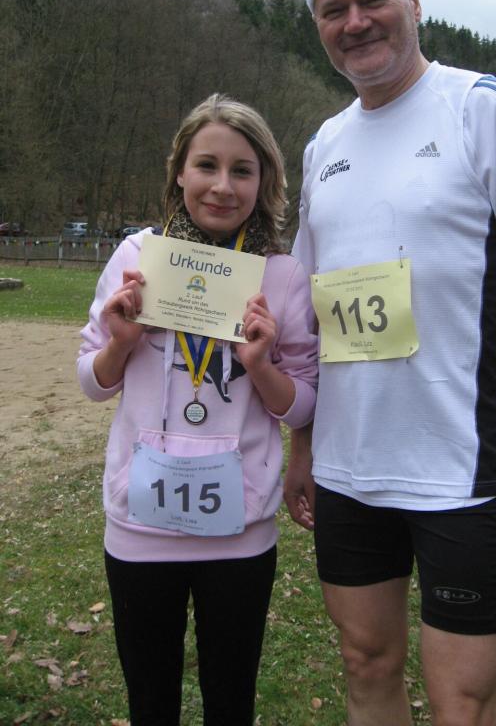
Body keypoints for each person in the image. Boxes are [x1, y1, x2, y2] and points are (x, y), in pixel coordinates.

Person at [284, 0, 496, 726]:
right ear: (319, 27)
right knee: (366, 664)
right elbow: (315, 312)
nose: (356, 22)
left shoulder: (484, 107)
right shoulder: (324, 145)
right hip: (350, 470)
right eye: (334, 10)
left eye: (374, 0)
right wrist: (303, 447)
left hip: (463, 470)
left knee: (463, 700)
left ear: (415, 2)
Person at [78, 94, 318, 726]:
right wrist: (120, 344)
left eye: (242, 170)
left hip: (239, 533)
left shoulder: (283, 276)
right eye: (206, 165)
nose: (222, 186)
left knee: (230, 703)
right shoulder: (136, 256)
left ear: (264, 180)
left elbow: (302, 407)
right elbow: (92, 383)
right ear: (179, 171)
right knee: (150, 703)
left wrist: (260, 365)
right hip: (140, 529)